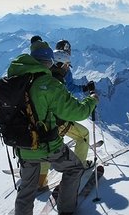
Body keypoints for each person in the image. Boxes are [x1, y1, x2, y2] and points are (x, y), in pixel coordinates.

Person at [9, 37, 99, 215]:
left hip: (23, 147)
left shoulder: (15, 79)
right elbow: (76, 112)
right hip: (47, 145)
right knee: (73, 168)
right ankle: (66, 211)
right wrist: (91, 101)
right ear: (47, 62)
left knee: (26, 192)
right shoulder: (47, 85)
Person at [37, 48, 94, 187]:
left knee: (46, 144)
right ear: (59, 65)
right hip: (58, 122)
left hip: (40, 123)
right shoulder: (57, 83)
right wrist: (91, 100)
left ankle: (40, 180)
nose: (68, 68)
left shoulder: (42, 77)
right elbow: (70, 110)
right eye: (66, 65)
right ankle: (79, 167)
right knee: (83, 135)